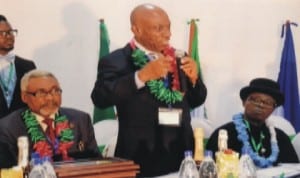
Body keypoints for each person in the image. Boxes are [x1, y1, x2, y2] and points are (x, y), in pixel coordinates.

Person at [91, 3, 207, 177]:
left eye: (168, 27)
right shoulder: (116, 60)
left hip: (182, 155)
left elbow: (196, 100)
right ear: (136, 30)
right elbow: (100, 98)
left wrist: (194, 79)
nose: (168, 34)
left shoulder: (179, 57)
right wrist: (141, 76)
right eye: (159, 28)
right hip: (140, 158)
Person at [0, 69, 101, 168]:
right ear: (24, 97)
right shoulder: (8, 128)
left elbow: (98, 163)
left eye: (55, 91)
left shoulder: (81, 120)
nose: (50, 98)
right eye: (41, 93)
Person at [206, 78, 299, 168]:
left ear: (273, 109)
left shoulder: (281, 138)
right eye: (255, 100)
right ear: (244, 102)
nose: (260, 105)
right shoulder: (223, 134)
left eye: (268, 102)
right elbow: (209, 170)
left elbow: (294, 170)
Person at [0, 14, 36, 119]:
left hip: (19, 129)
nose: (10, 36)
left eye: (11, 32)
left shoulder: (28, 66)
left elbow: (33, 104)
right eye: (3, 33)